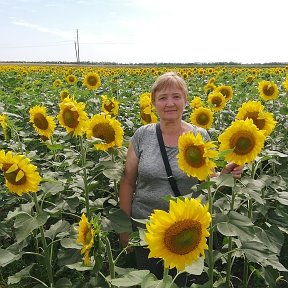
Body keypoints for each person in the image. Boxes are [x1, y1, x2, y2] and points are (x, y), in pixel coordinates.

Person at [118, 71, 243, 285]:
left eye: (176, 96)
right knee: (150, 281)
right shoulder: (142, 135)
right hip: (146, 227)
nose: (170, 103)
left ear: (185, 100)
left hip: (188, 231)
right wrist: (124, 229)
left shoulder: (200, 136)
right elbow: (128, 182)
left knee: (183, 281)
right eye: (163, 98)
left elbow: (208, 183)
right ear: (153, 103)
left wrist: (226, 175)